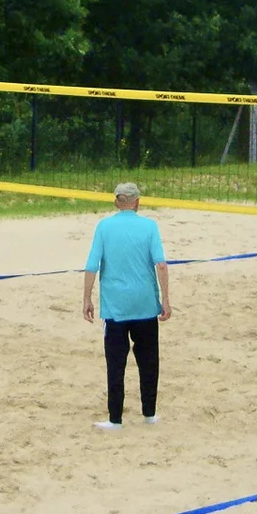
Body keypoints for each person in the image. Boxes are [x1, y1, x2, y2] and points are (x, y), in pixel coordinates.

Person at [81, 181, 172, 430]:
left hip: (115, 307)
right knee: (149, 361)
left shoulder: (104, 226)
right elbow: (161, 265)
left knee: (115, 364)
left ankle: (115, 419)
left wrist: (87, 298)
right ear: (137, 202)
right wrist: (165, 299)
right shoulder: (149, 226)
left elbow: (92, 265)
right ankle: (149, 414)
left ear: (116, 202)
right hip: (145, 304)